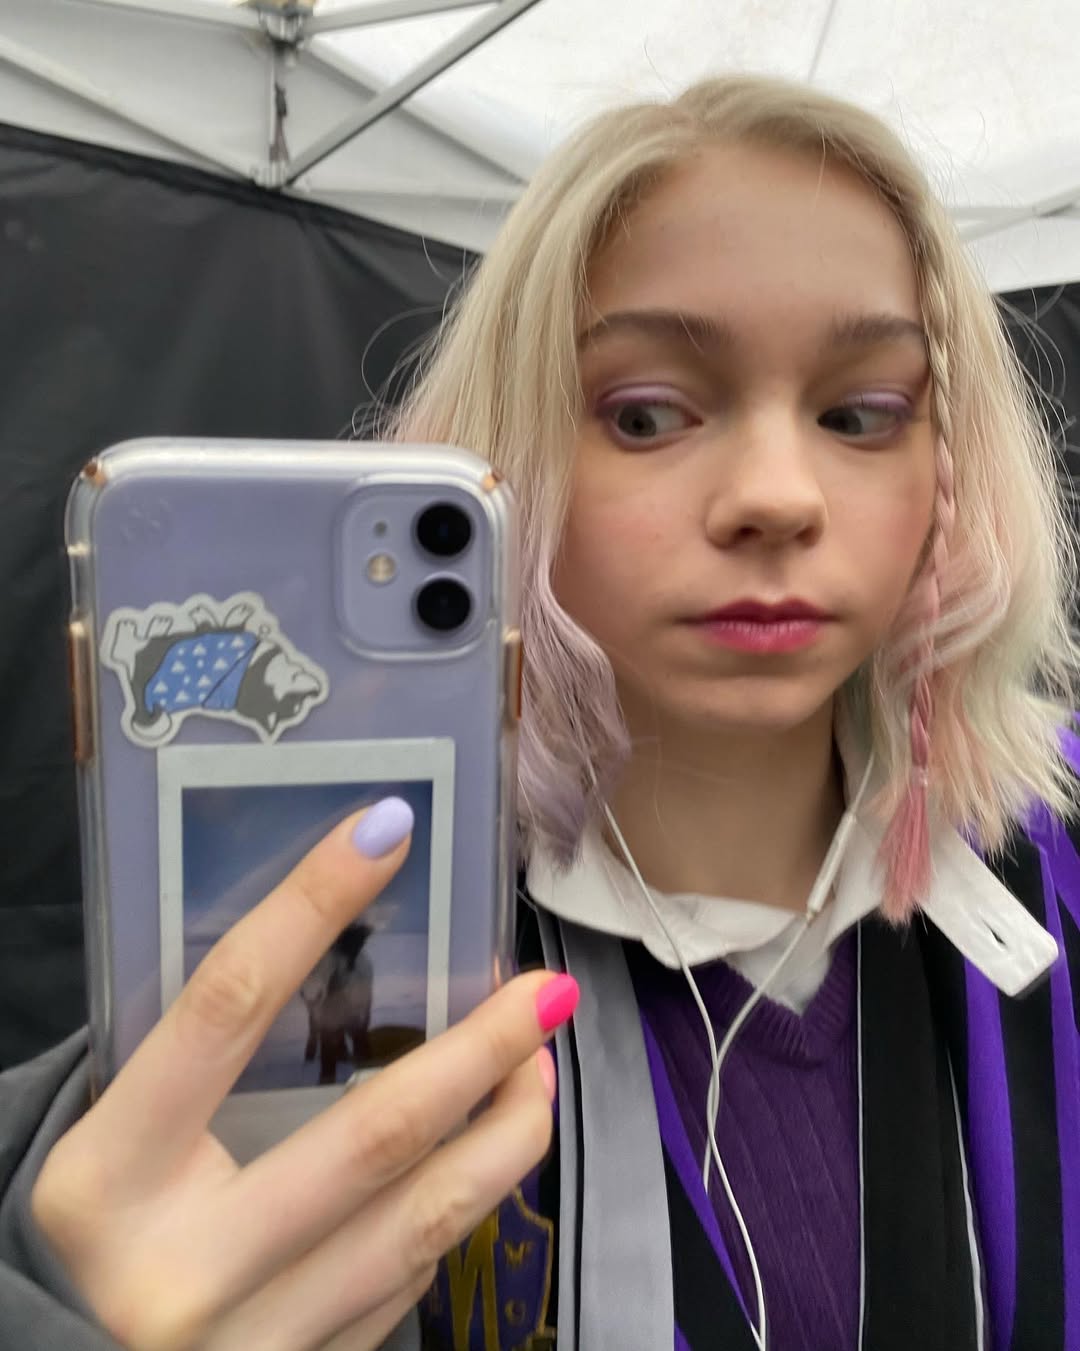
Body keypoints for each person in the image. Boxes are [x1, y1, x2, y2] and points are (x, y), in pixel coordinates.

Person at [2, 72, 1079, 1351]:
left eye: (858, 414)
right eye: (646, 414)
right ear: (509, 454)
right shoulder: (351, 955)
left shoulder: (1050, 860)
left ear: (950, 462)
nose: (776, 497)